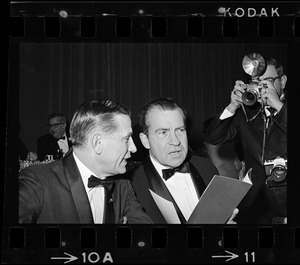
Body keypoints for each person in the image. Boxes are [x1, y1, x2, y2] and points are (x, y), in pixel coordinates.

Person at [19, 99, 153, 224]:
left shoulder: (123, 186)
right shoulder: (37, 182)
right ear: (97, 143)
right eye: (126, 139)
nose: (134, 148)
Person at [127, 97, 238, 224]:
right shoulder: (131, 184)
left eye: (180, 130)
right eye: (163, 132)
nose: (175, 141)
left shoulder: (206, 167)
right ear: (145, 140)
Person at [205, 57, 287, 224]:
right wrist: (232, 106)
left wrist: (278, 106)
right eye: (258, 82)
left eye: (269, 81)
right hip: (255, 206)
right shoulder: (246, 113)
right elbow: (214, 137)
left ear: (283, 81)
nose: (263, 88)